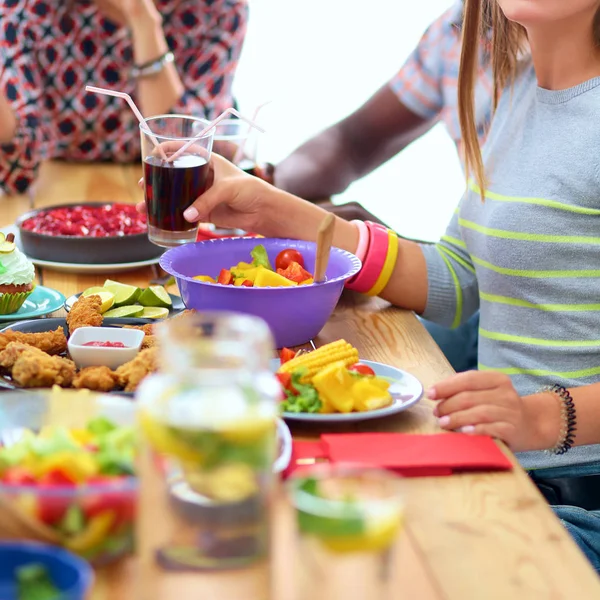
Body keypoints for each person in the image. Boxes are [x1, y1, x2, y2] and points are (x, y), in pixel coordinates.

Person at [151, 0, 600, 572]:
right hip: (509, 467)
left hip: (581, 493)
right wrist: (274, 209)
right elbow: (458, 280)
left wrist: (541, 418)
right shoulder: (518, 96)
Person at [268, 1, 493, 373]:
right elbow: (354, 140)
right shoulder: (458, 27)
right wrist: (263, 182)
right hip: (475, 290)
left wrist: (364, 243)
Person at [0, 0, 248, 195]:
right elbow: (16, 175)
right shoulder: (25, 8)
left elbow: (182, 154)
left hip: (166, 197)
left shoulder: (222, 9)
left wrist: (143, 20)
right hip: (58, 186)